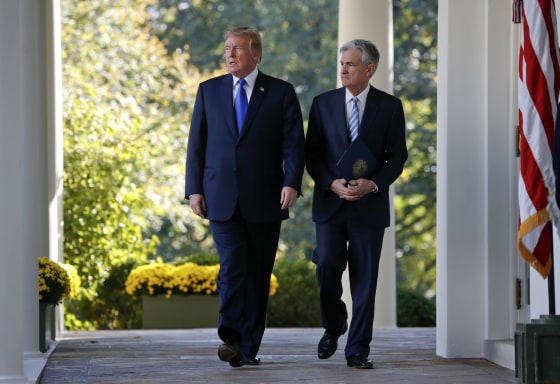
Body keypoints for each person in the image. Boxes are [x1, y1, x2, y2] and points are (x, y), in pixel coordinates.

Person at [185, 27, 305, 368]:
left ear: (256, 54)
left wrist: (291, 182)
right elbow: (197, 143)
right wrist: (194, 188)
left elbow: (293, 144)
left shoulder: (281, 92)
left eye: (237, 49)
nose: (230, 54)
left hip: (267, 197)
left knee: (257, 272)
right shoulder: (208, 91)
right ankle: (231, 337)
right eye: (227, 48)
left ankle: (249, 346)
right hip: (219, 195)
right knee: (233, 266)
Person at [305, 39, 408, 369]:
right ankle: (334, 325)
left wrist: (373, 184)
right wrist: (330, 182)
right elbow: (313, 155)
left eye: (350, 64)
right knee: (326, 269)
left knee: (365, 281)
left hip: (369, 206)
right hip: (330, 204)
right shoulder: (322, 104)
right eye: (342, 63)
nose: (343, 69)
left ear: (369, 69)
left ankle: (358, 349)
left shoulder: (390, 107)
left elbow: (397, 157)